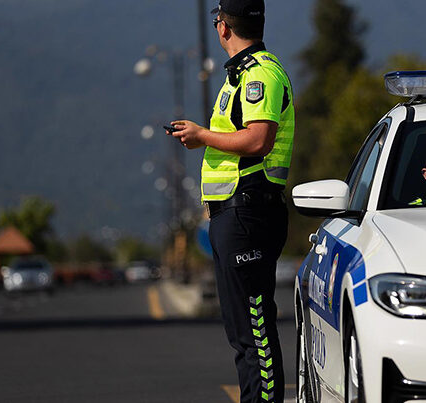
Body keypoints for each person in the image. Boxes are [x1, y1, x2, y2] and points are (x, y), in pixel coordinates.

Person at [167, 1, 294, 402]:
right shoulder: (240, 76)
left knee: (255, 329)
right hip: (233, 214)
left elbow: (258, 140)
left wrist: (202, 136)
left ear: (223, 27)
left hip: (249, 212)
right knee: (242, 334)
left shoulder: (260, 74)